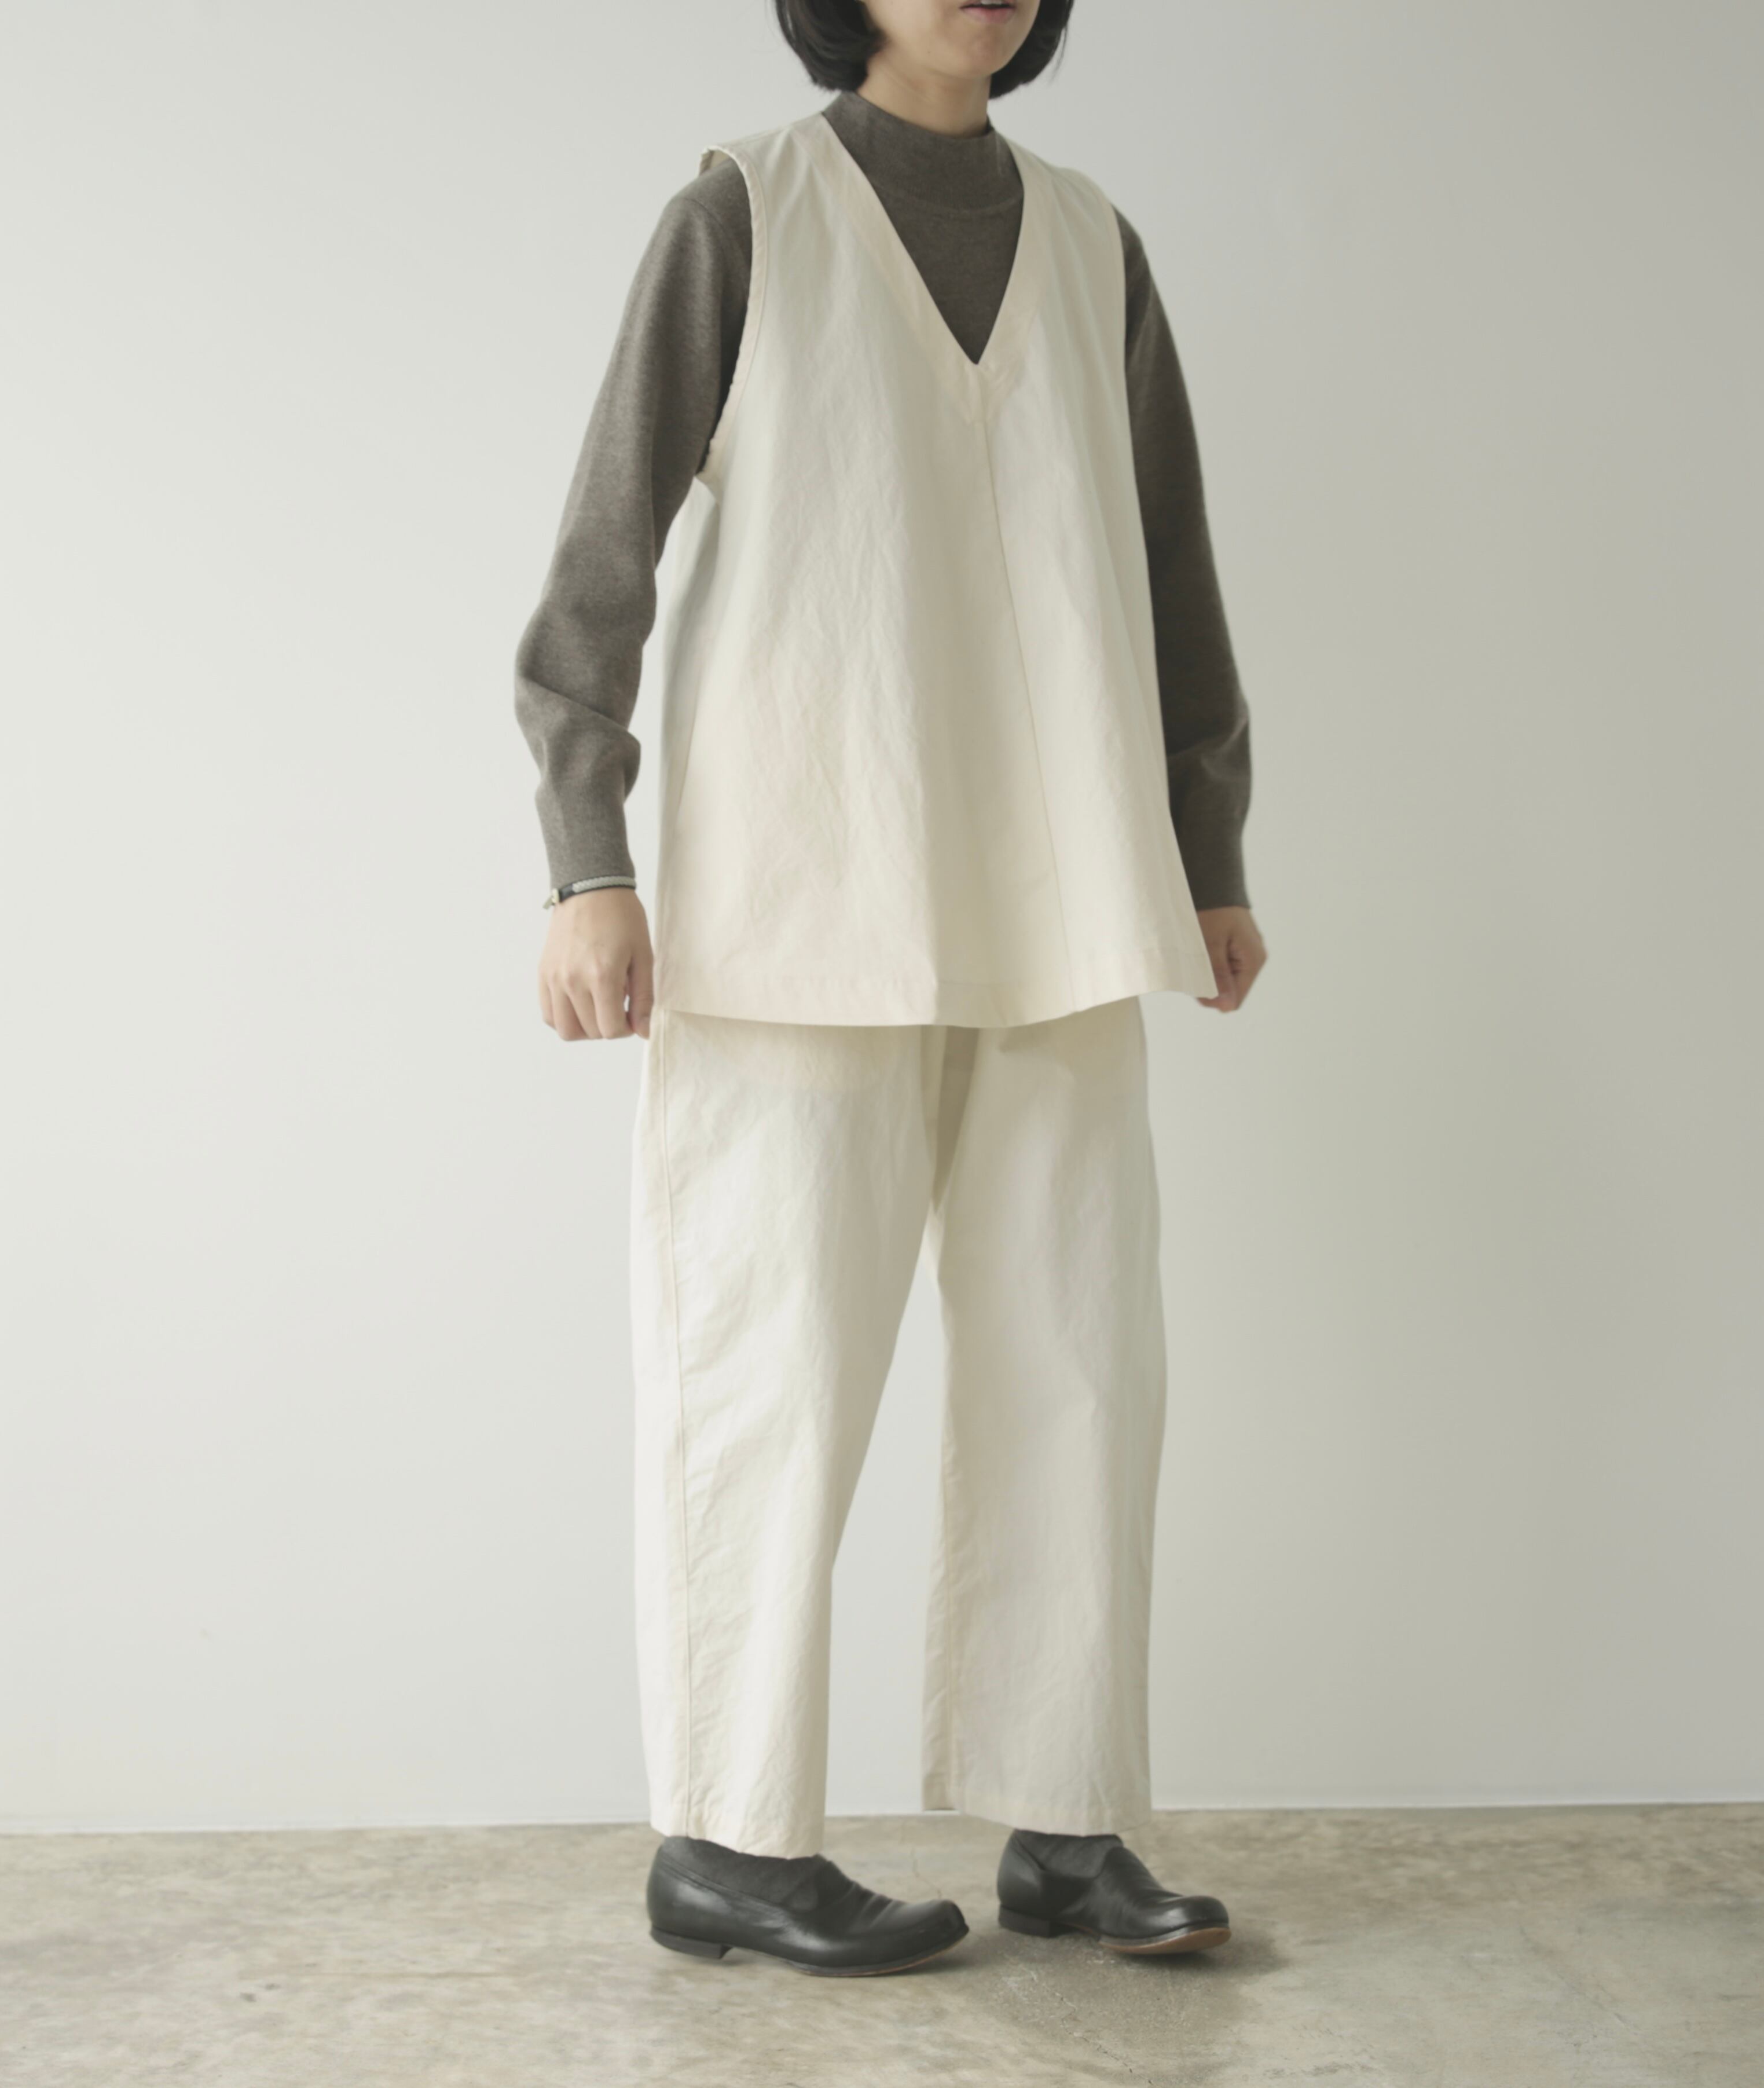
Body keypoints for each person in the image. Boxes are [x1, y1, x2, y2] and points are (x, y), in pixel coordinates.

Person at [514, 0, 1267, 1977]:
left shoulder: (1094, 243)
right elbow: (599, 567)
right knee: (764, 1365)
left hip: (1071, 885)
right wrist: (589, 858)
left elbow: (1172, 568)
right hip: (802, 886)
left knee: (1081, 1363)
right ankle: (727, 1841)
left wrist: (1207, 848)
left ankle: (1068, 1824)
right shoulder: (742, 215)